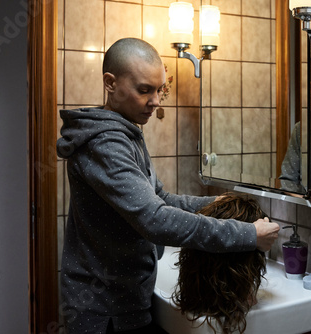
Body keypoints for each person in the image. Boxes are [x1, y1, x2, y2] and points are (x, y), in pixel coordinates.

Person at [56, 37, 280, 334]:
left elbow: (160, 198)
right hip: (104, 310)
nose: (156, 101)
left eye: (159, 89)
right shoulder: (106, 143)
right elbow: (155, 220)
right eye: (144, 90)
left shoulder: (126, 132)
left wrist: (221, 205)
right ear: (110, 83)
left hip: (123, 299)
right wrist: (248, 235)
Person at [172, 193, 268, 334]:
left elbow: (161, 198)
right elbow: (152, 216)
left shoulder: (200, 282)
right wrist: (252, 234)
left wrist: (214, 201)